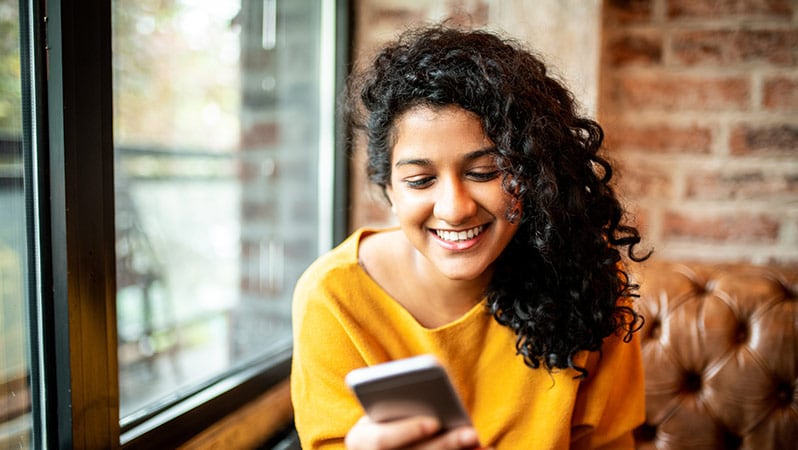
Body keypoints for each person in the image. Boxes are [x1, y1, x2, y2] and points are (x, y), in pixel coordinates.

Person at [290, 24, 649, 449]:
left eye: (485, 173)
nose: (454, 208)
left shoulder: (584, 272)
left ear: (533, 173)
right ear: (389, 189)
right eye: (420, 180)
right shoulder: (334, 297)